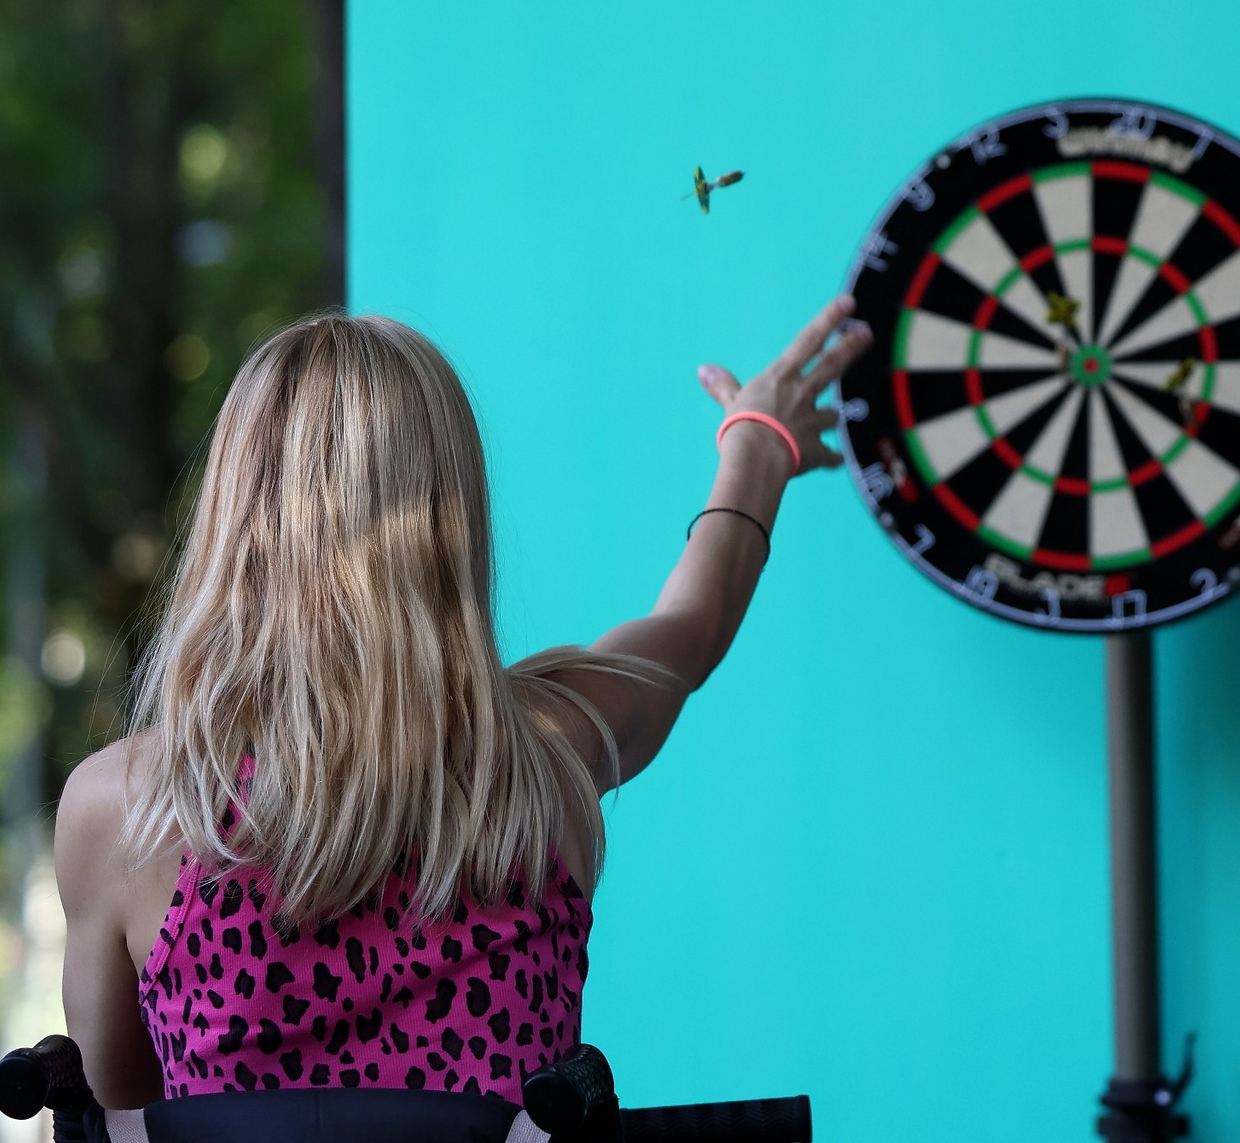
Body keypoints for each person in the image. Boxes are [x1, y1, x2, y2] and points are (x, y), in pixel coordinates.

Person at [54, 296, 867, 1110]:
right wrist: (758, 442)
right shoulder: (548, 754)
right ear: (454, 514)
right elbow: (693, 627)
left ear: (235, 512)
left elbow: (107, 1125)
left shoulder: (125, 811)